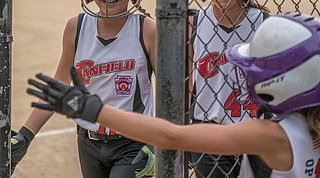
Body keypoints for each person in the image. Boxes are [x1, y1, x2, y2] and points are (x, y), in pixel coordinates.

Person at [27, 12, 320, 178]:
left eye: (256, 70)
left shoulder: (271, 136)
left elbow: (172, 137)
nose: (248, 75)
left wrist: (94, 110)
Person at [11, 0, 156, 178]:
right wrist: (26, 135)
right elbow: (59, 86)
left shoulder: (147, 30)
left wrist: (157, 143)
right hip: (88, 140)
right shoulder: (76, 28)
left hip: (134, 142)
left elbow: (171, 96)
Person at [188, 0, 270, 177]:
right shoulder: (195, 23)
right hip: (209, 133)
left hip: (255, 132)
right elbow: (187, 82)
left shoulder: (264, 24)